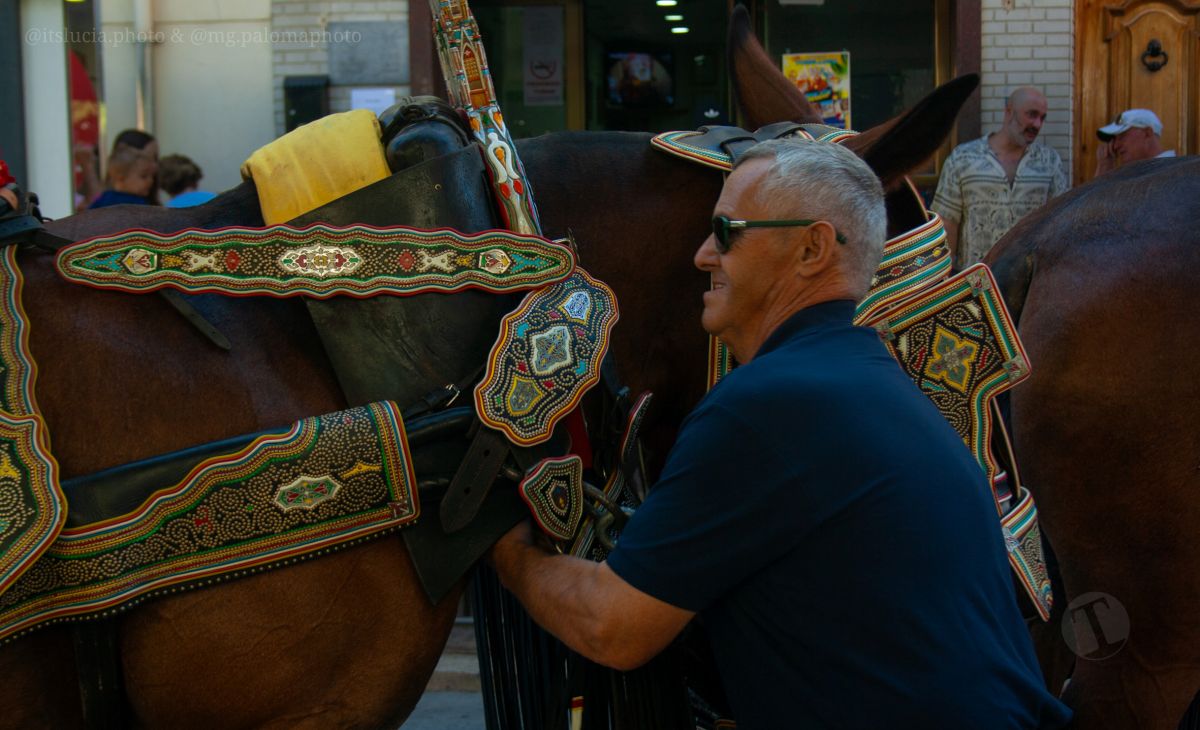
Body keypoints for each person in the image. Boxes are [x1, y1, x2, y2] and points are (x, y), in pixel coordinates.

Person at [490, 138, 1073, 729]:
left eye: (726, 232)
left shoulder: (766, 406)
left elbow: (611, 626)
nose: (701, 255)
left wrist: (509, 553)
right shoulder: (883, 385)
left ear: (811, 248)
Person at [931, 86, 1068, 269]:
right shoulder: (963, 158)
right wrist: (945, 275)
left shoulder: (1049, 162)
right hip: (976, 281)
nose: (1037, 124)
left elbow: (1061, 221)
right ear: (1009, 112)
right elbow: (947, 221)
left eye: (1042, 118)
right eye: (1031, 115)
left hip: (1030, 282)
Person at [1095, 108, 1175, 175]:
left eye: (1122, 136)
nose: (1115, 146)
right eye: (1114, 139)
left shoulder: (1173, 171)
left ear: (1147, 133)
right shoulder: (1131, 174)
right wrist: (1105, 165)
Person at [89, 146, 156, 209]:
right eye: (143, 176)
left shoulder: (104, 198)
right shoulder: (138, 204)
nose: (150, 180)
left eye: (152, 176)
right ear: (120, 177)